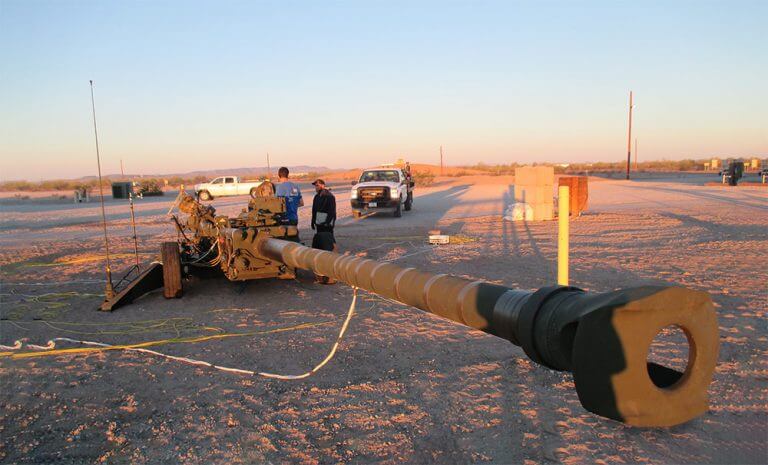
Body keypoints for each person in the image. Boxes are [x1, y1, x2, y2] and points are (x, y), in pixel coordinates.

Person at [310, 179, 337, 284]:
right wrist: (312, 221)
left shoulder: (329, 197)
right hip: (319, 223)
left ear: (322, 185)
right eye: (315, 186)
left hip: (327, 225)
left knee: (329, 244)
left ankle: (331, 271)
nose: (316, 187)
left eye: (317, 185)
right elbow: (314, 210)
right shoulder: (316, 197)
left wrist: (328, 222)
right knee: (320, 243)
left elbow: (332, 211)